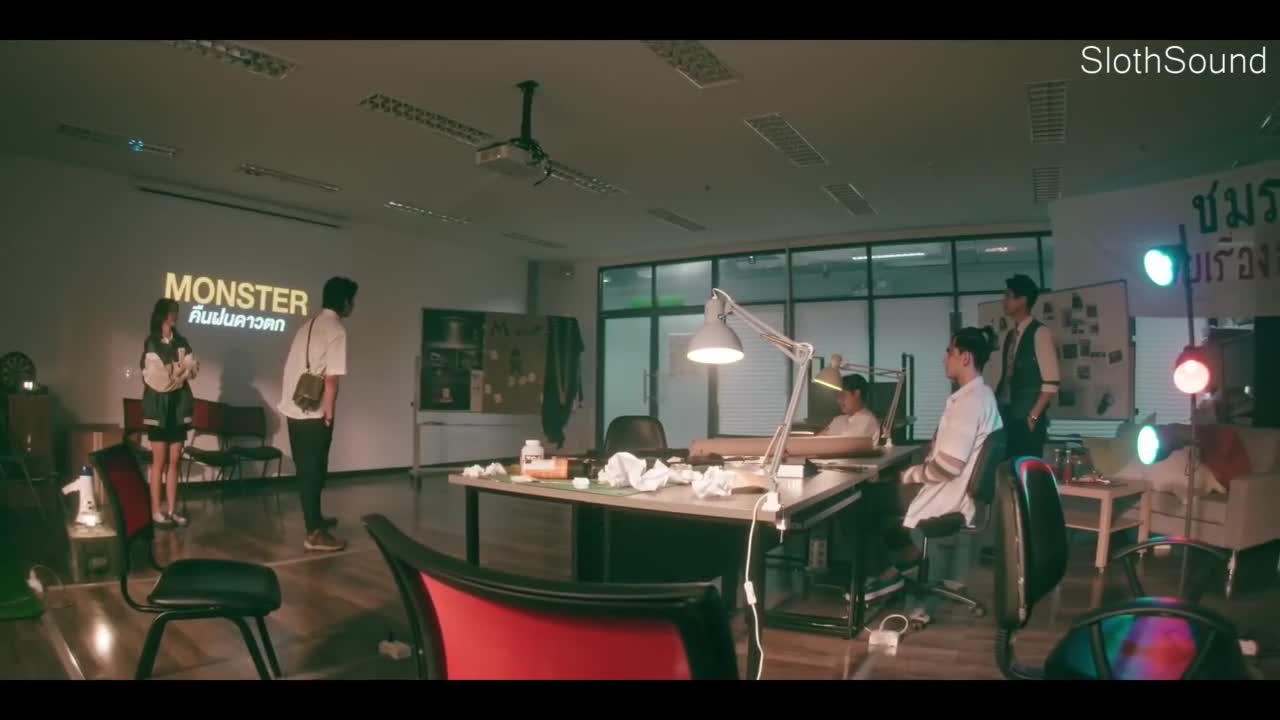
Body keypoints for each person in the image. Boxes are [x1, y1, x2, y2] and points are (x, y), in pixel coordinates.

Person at [859, 326, 1004, 599]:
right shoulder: (982, 396)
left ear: (965, 357)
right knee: (882, 493)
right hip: (958, 493)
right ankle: (904, 559)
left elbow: (948, 467)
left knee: (859, 500)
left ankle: (885, 575)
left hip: (947, 494)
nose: (944, 357)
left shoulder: (969, 402)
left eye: (949, 351)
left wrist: (908, 475)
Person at [279, 276, 357, 552]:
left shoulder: (308, 325)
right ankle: (313, 533)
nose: (353, 305)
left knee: (306, 470)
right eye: (352, 300)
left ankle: (316, 519)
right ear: (345, 302)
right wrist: (329, 414)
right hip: (314, 412)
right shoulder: (336, 330)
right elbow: (332, 379)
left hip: (293, 407)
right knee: (314, 471)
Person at [140, 298, 198, 528]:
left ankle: (172, 510)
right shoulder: (152, 342)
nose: (175, 315)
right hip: (158, 409)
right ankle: (156, 510)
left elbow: (192, 369)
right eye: (172, 311)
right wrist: (179, 371)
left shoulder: (182, 341)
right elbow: (159, 379)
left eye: (176, 311)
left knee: (175, 461)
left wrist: (176, 372)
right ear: (162, 314)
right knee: (159, 461)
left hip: (178, 407)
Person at [994, 274, 1060, 460]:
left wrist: (1033, 416)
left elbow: (1051, 382)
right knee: (1007, 466)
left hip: (1027, 417)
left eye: (1008, 296)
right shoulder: (1011, 335)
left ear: (1022, 300)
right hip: (1007, 414)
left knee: (1025, 466)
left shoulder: (1040, 332)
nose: (1004, 301)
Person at [819, 373, 881, 444]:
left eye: (842, 395)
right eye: (838, 396)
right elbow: (818, 440)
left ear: (857, 393)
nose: (838, 400)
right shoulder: (838, 419)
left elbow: (845, 445)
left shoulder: (867, 420)